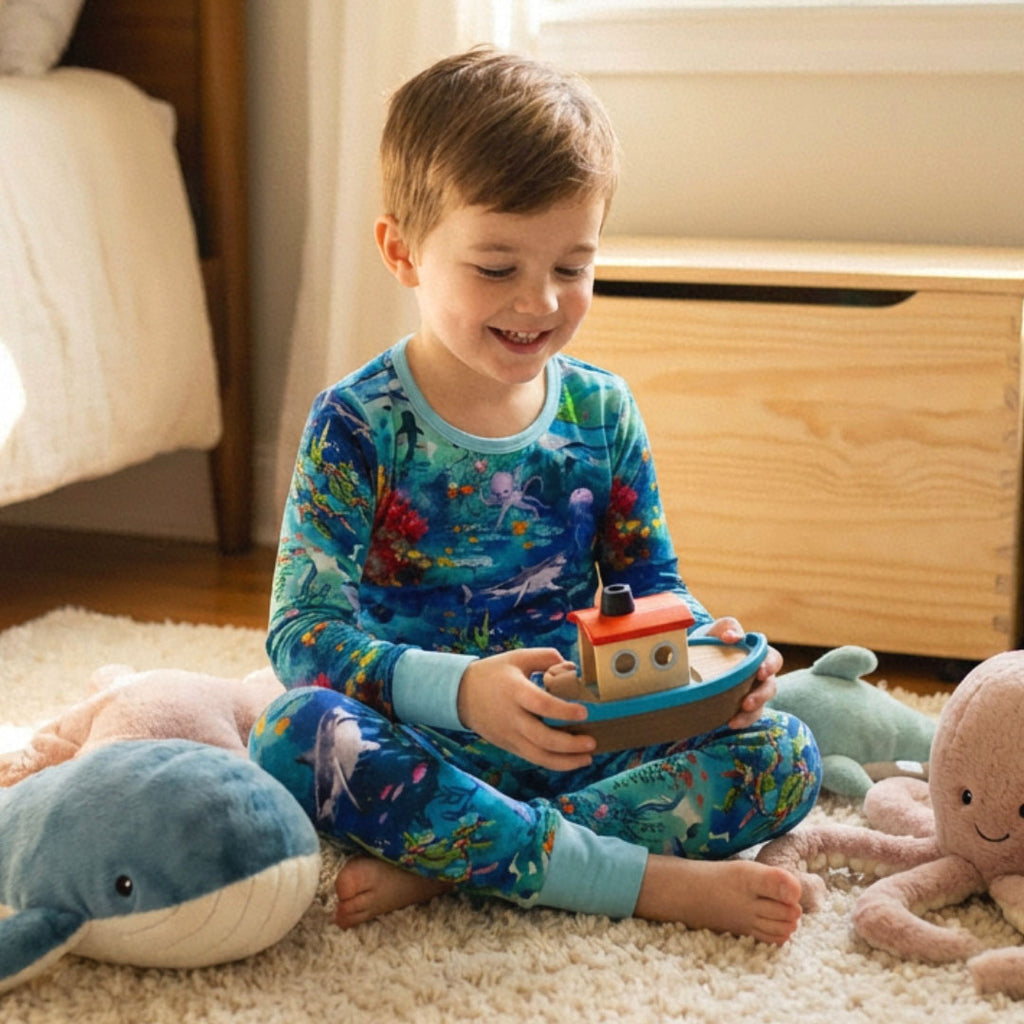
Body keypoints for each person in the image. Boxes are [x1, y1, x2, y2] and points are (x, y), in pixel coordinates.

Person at [249, 46, 820, 946]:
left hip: (582, 731)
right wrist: (465, 692)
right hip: (432, 738)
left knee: (787, 752)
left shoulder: (603, 410)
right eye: (496, 267)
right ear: (402, 251)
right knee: (291, 732)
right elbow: (301, 636)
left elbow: (650, 585)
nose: (540, 300)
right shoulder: (357, 424)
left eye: (573, 265)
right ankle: (638, 880)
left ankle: (454, 864)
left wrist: (714, 663)